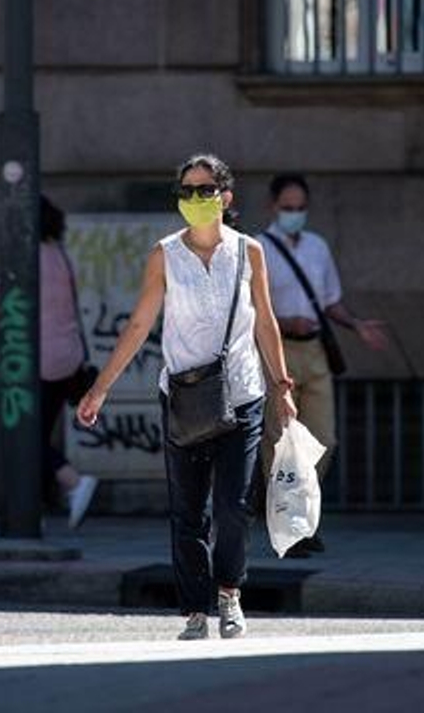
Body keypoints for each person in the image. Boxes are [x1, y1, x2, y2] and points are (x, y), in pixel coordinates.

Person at [77, 153, 297, 641]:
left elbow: (265, 320)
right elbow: (139, 324)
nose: (196, 200)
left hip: (242, 394)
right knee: (188, 510)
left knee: (233, 506)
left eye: (205, 190)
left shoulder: (249, 252)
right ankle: (196, 610)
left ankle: (230, 594)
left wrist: (282, 385)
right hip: (184, 396)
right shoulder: (164, 254)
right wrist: (101, 388)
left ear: (225, 196)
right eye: (187, 191)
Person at [0, 196, 99, 528]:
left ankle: (72, 481)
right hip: (67, 360)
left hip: (33, 364)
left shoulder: (24, 257)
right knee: (37, 434)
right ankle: (36, 512)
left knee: (24, 437)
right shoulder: (60, 255)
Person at [259, 173, 389, 557]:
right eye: (288, 208)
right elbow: (253, 310)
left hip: (315, 350)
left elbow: (330, 300)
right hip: (278, 350)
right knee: (280, 443)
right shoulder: (259, 248)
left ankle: (301, 516)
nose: (294, 214)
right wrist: (285, 323)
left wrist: (356, 325)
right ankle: (289, 528)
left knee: (322, 440)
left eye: (300, 208)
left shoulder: (317, 247)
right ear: (273, 207)